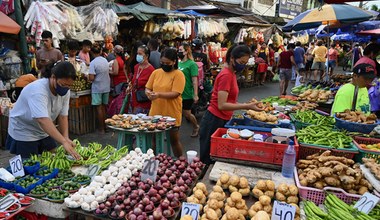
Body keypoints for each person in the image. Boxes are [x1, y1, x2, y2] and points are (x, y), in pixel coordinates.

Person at [199, 44, 264, 164]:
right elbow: (222, 105)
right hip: (214, 120)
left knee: (216, 156)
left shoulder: (231, 73)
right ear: (232, 58)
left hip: (222, 119)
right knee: (208, 158)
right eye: (241, 62)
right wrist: (246, 106)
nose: (243, 65)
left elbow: (229, 102)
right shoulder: (226, 75)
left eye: (245, 63)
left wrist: (246, 104)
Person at [6, 61, 80, 159]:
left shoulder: (65, 91)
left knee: (53, 158)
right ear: (53, 77)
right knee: (30, 163)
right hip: (24, 129)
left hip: (43, 128)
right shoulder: (38, 91)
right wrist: (63, 141)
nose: (66, 88)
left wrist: (65, 137)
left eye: (69, 85)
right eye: (63, 85)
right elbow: (42, 119)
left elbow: (63, 116)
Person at [145, 48, 186, 157]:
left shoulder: (178, 74)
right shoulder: (156, 72)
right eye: (162, 63)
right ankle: (152, 162)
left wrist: (158, 95)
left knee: (174, 141)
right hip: (155, 112)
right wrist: (148, 94)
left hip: (171, 113)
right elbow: (148, 88)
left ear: (174, 62)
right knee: (153, 140)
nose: (164, 65)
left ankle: (181, 161)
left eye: (167, 63)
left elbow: (176, 93)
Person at [178, 43, 200, 137]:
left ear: (186, 51)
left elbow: (195, 80)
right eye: (178, 50)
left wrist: (195, 94)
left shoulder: (192, 64)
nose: (179, 52)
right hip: (177, 93)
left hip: (187, 93)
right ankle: (174, 132)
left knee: (187, 114)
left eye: (181, 50)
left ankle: (196, 126)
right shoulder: (177, 63)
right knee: (176, 113)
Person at [88, 43, 111, 134]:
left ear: (92, 52)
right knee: (104, 108)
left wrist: (86, 76)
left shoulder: (93, 63)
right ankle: (105, 127)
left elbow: (91, 78)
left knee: (99, 108)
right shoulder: (105, 60)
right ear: (101, 51)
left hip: (97, 88)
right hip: (106, 86)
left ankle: (101, 129)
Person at [131, 45, 155, 114]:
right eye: (137, 53)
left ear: (146, 56)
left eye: (140, 54)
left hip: (144, 101)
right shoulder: (136, 67)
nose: (138, 55)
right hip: (134, 99)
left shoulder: (151, 70)